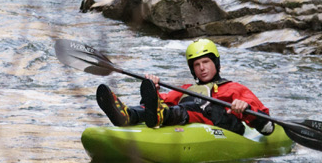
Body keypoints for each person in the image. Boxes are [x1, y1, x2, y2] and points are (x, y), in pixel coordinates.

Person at [95, 39, 274, 136]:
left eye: (206, 62)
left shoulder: (234, 88)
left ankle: (161, 116)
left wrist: (246, 108)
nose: (202, 68)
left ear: (216, 63)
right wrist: (153, 87)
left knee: (191, 107)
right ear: (192, 69)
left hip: (226, 125)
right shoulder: (187, 89)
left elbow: (268, 128)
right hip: (190, 116)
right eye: (197, 64)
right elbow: (155, 103)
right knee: (178, 104)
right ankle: (128, 115)